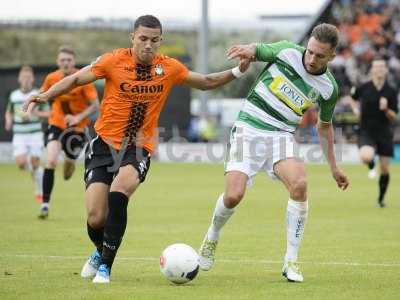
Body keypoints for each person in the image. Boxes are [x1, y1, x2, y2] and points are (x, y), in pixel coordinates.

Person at [24, 15, 250, 283]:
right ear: (132, 37)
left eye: (154, 40)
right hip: (104, 144)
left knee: (119, 192)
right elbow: (75, 80)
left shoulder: (169, 68)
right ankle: (100, 251)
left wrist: (237, 72)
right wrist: (46, 95)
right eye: (143, 39)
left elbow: (206, 81)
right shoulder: (112, 61)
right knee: (96, 218)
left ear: (160, 41)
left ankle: (106, 266)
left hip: (139, 146)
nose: (148, 45)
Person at [197, 23, 349, 283]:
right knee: (233, 195)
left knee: (300, 185)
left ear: (332, 56)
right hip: (249, 127)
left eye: (319, 56)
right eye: (310, 51)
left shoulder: (328, 89)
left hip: (281, 136)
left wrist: (334, 167)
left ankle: (291, 260)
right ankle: (212, 236)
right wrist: (246, 50)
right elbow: (258, 50)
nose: (311, 59)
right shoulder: (287, 51)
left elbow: (324, 127)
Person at [38, 46, 99, 219]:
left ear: (73, 62)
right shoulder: (52, 78)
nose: (65, 63)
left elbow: (95, 106)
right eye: (62, 60)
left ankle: (70, 162)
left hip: (77, 129)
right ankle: (45, 204)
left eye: (69, 60)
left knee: (67, 171)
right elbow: (44, 94)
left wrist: (77, 117)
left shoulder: (83, 78)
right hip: (56, 125)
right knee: (50, 161)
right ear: (58, 62)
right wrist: (34, 104)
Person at [350, 58, 398, 207]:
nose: (379, 69)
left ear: (385, 70)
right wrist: (355, 110)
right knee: (366, 156)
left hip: (384, 132)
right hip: (366, 130)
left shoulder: (391, 90)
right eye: (376, 67)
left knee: (384, 169)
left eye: (382, 67)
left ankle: (381, 200)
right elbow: (352, 98)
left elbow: (394, 116)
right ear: (372, 70)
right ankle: (371, 164)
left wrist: (386, 109)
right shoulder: (364, 87)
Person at [5, 66, 47, 202]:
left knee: (35, 162)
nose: (26, 81)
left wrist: (35, 113)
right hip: (19, 134)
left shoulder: (37, 94)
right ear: (19, 79)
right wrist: (8, 121)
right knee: (21, 163)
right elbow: (9, 111)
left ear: (33, 79)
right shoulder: (14, 95)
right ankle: (36, 172)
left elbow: (49, 112)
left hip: (35, 133)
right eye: (23, 78)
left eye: (29, 78)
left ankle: (39, 190)